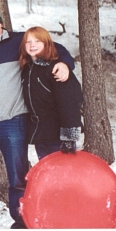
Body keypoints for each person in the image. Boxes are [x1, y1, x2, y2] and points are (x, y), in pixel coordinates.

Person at [0, 1, 75, 229]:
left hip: (13, 123)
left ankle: (21, 220)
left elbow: (54, 48)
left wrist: (65, 64)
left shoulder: (19, 42)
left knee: (18, 178)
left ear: (1, 23)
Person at [19, 26, 83, 160]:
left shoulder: (56, 69)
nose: (32, 45)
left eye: (37, 41)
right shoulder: (28, 68)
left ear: (46, 44)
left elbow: (70, 103)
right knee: (47, 174)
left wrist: (69, 138)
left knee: (63, 174)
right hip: (41, 135)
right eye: (28, 42)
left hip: (58, 136)